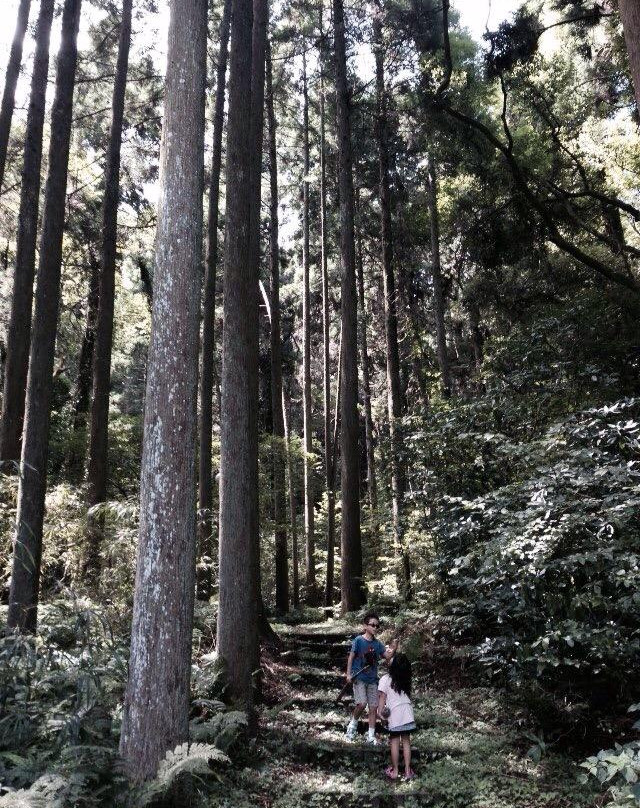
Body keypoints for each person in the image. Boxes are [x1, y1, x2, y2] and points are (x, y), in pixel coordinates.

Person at [345, 613, 398, 744]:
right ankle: (352, 726)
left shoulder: (378, 644)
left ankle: (371, 736)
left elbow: (387, 657)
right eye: (372, 625)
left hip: (373, 680)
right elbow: (351, 657)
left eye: (377, 625)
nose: (375, 627)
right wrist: (348, 674)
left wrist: (394, 649)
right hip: (359, 678)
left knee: (373, 707)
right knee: (362, 703)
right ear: (365, 626)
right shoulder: (358, 640)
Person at [377, 653, 416, 780]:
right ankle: (407, 771)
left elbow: (382, 697)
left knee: (394, 742)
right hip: (408, 714)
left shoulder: (385, 679)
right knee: (406, 742)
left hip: (395, 715)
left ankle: (395, 771)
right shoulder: (406, 679)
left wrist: (380, 712)